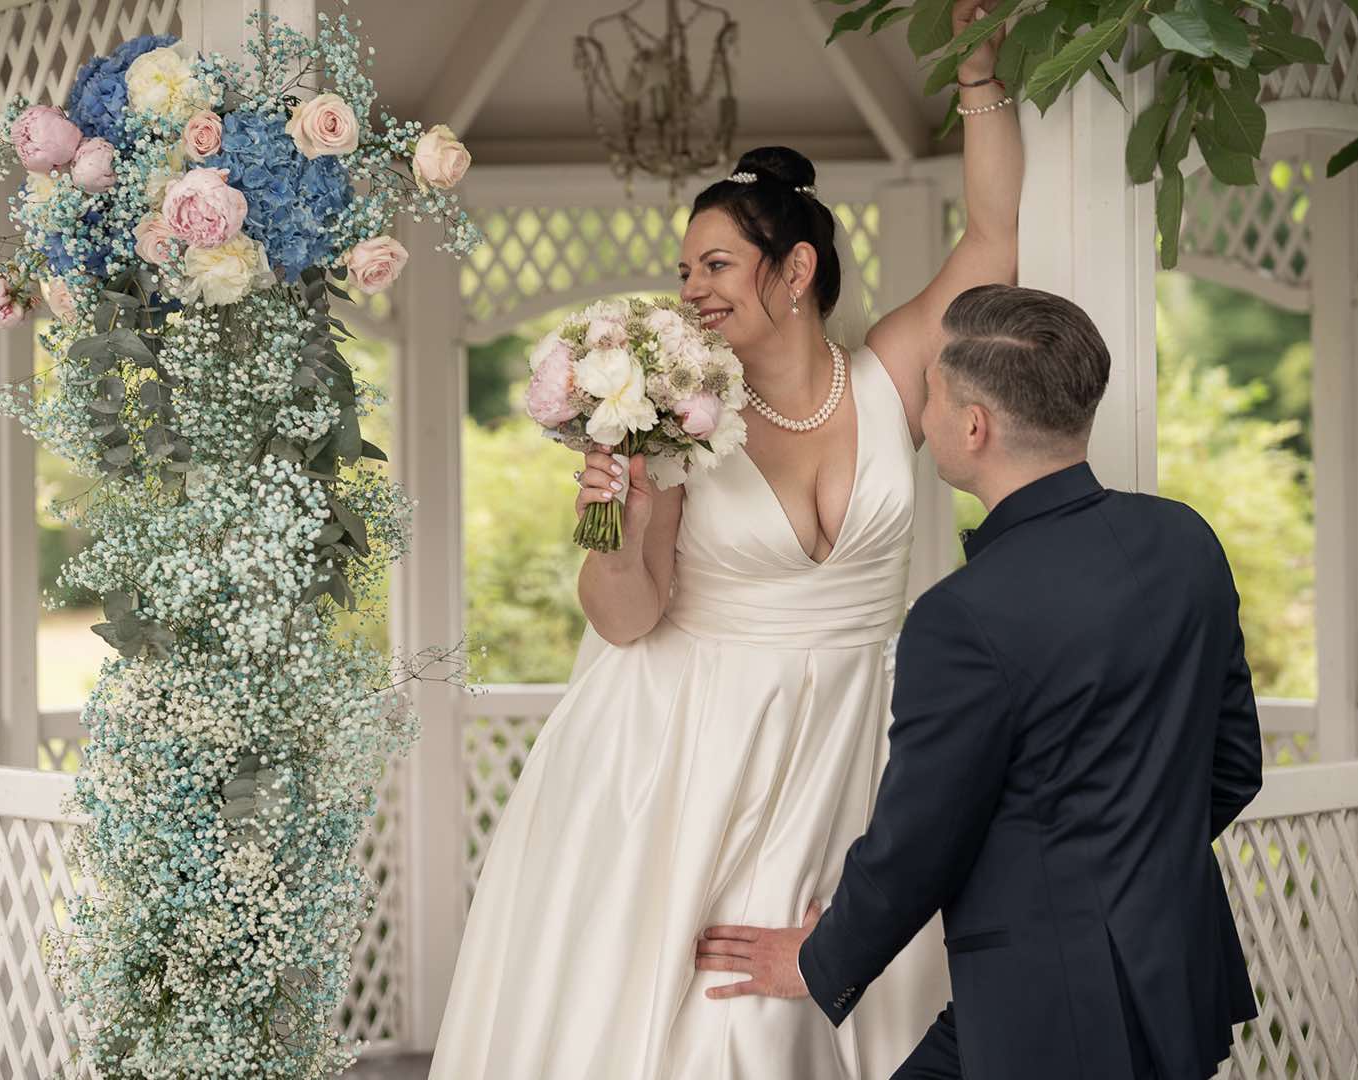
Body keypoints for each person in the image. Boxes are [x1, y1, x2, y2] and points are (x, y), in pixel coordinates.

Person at [427, 2, 1022, 1073]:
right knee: (713, 1021)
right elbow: (627, 618)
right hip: (689, 747)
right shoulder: (675, 416)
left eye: (714, 267)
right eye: (687, 270)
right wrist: (612, 527)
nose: (691, 291)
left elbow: (989, 238)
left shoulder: (889, 373)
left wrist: (979, 77)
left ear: (794, 275)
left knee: (846, 1002)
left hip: (857, 739)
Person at [692, 285, 1264, 1080]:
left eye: (930, 394)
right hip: (1174, 972)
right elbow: (1236, 765)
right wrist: (1133, 870)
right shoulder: (1185, 541)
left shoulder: (960, 616)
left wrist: (820, 960)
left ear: (973, 425)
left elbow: (919, 841)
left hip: (1050, 1007)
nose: (920, 417)